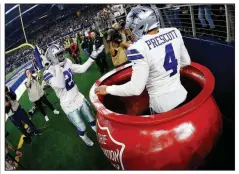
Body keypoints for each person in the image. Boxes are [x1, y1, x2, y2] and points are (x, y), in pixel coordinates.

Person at [95, 6, 191, 114]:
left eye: (131, 28)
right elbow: (186, 61)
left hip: (162, 105)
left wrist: (108, 89)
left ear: (140, 26)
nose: (131, 32)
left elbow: (136, 89)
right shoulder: (174, 31)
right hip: (182, 95)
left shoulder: (138, 48)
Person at [43, 44, 103, 146]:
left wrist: (92, 57)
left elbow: (81, 68)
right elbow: (61, 84)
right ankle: (84, 137)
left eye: (61, 52)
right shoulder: (48, 72)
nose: (62, 55)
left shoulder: (67, 62)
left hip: (78, 97)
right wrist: (56, 65)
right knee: (82, 127)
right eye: (58, 54)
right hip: (68, 104)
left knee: (92, 119)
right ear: (51, 58)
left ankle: (100, 136)